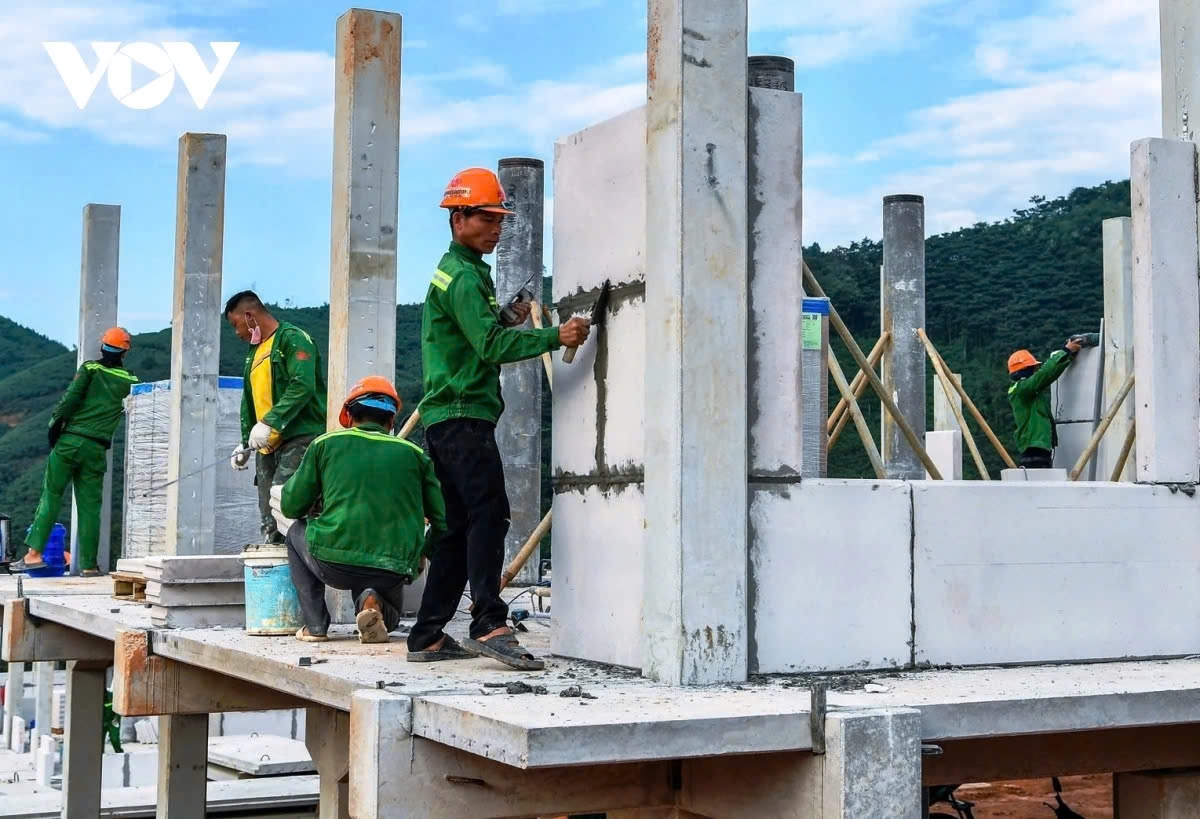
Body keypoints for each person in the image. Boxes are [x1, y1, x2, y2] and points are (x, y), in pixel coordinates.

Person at [406, 167, 591, 670]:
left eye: (500, 218)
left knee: (455, 528)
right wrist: (557, 336)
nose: (497, 227)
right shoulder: (463, 276)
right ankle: (488, 620)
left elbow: (476, 338)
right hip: (464, 414)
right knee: (490, 514)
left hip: (448, 416)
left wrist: (505, 320)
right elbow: (489, 345)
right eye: (486, 217)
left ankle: (426, 635)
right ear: (458, 216)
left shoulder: (459, 272)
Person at [270, 376, 446, 643]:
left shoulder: (324, 445)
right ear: (391, 421)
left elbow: (291, 505)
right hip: (394, 566)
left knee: (296, 532)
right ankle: (371, 604)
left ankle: (315, 626)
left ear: (349, 416)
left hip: (333, 563)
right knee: (392, 613)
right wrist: (423, 552)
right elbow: (443, 521)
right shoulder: (416, 455)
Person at [14, 327, 138, 575]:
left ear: (103, 347)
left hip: (71, 441)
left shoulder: (91, 369)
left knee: (51, 495)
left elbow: (70, 399)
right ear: (125, 353)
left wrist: (54, 425)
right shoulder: (131, 380)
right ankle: (90, 566)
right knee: (91, 507)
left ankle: (34, 554)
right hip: (96, 449)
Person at [224, 291, 328, 544]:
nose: (237, 333)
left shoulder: (292, 340)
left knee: (288, 505)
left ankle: (301, 571)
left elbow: (302, 385)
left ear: (249, 316)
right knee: (269, 514)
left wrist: (271, 421)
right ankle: (275, 571)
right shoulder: (256, 352)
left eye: (236, 324)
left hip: (299, 437)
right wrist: (245, 441)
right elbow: (251, 400)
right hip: (267, 444)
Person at [1007, 333, 1098, 468]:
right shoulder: (1022, 389)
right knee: (1040, 482)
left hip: (1036, 445)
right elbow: (1045, 375)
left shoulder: (1023, 390)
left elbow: (1048, 373)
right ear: (1024, 370)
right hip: (1034, 446)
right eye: (1032, 368)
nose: (1035, 370)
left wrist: (1067, 355)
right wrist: (1065, 351)